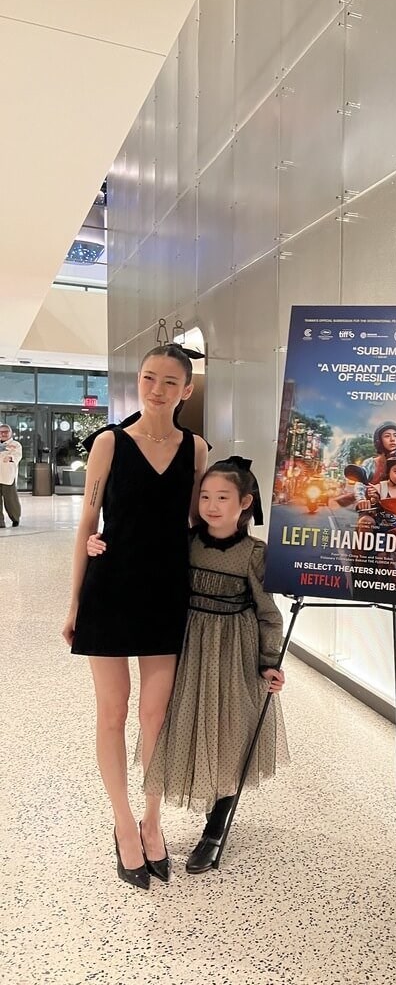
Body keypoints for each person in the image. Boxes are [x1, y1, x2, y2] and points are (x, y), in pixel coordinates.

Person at [62, 344, 209, 890]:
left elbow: (199, 520)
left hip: (167, 591)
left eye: (170, 382)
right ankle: (123, 823)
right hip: (110, 588)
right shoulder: (109, 442)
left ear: (186, 391)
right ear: (138, 381)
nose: (157, 389)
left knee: (156, 716)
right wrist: (74, 601)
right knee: (111, 711)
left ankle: (153, 821)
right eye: (149, 377)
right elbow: (86, 522)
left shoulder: (196, 449)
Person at [143, 456, 288, 873]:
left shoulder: (253, 554)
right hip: (189, 649)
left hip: (233, 653)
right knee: (185, 724)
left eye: (222, 497)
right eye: (205, 496)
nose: (211, 504)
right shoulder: (186, 543)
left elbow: (268, 614)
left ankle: (216, 827)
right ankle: (181, 815)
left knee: (231, 732)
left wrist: (269, 663)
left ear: (245, 502)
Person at [0, 424, 23, 527]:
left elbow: (17, 455)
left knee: (11, 500)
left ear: (10, 433)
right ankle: (0, 522)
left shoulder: (16, 444)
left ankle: (15, 518)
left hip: (8, 476)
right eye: (1, 432)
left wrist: (10, 457)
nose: (3, 434)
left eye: (6, 432)